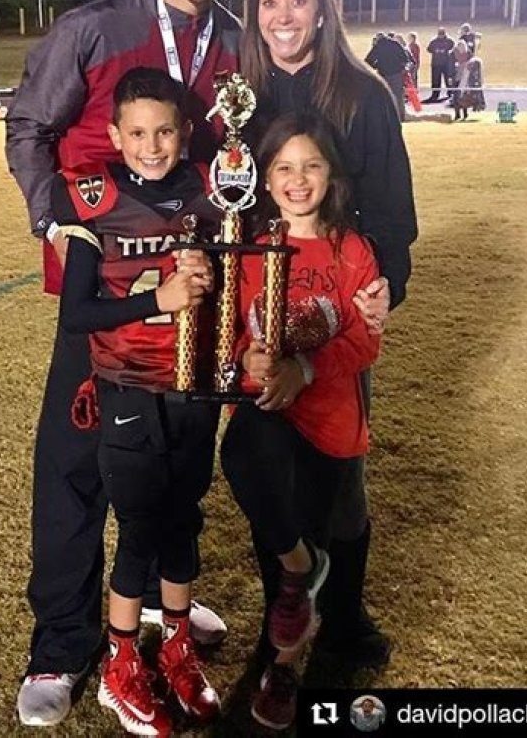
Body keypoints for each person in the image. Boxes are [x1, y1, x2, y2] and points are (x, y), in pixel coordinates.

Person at [5, 0, 243, 728]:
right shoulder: (94, 28)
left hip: (195, 293)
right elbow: (29, 126)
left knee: (176, 464)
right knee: (75, 467)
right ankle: (62, 642)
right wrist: (55, 221)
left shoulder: (235, 42)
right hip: (107, 290)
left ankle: (156, 602)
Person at [239, 0, 417, 683]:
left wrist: (384, 287)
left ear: (322, 9)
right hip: (262, 306)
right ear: (254, 12)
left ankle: (342, 618)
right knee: (265, 467)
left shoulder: (363, 95)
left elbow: (393, 213)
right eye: (269, 1)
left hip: (337, 311)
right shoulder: (239, 94)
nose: (283, 16)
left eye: (299, 0)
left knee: (340, 478)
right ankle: (282, 614)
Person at [54, 67, 222, 736]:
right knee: (141, 529)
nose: (152, 146)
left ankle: (176, 648)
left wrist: (208, 275)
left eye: (165, 132)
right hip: (128, 385)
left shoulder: (210, 190)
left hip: (193, 383)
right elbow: (77, 314)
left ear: (185, 132)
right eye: (139, 133)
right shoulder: (93, 197)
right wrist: (160, 298)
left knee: (183, 521)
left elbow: (230, 276)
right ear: (116, 135)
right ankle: (120, 666)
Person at [222, 114, 382, 730]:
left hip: (331, 422)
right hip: (269, 416)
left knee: (314, 528)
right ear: (263, 180)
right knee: (258, 491)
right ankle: (288, 611)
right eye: (283, 167)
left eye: (311, 165)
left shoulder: (352, 250)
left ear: (330, 174)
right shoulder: (251, 252)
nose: (298, 179)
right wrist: (248, 358)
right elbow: (237, 331)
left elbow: (364, 341)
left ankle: (286, 667)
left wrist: (305, 368)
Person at [364, 32, 412, 121]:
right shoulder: (396, 44)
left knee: (383, 97)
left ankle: (386, 117)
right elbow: (405, 59)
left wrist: (377, 65)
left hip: (383, 75)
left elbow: (368, 60)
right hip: (397, 74)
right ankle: (400, 117)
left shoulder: (378, 46)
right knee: (398, 96)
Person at [423, 26, 454, 102]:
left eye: (442, 34)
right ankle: (435, 94)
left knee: (448, 79)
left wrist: (444, 50)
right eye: (440, 34)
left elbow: (452, 47)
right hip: (436, 64)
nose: (441, 35)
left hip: (446, 63)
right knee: (435, 80)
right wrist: (436, 50)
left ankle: (450, 93)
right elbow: (429, 49)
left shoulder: (449, 41)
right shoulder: (434, 41)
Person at [450, 56, 485, 120]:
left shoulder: (474, 74)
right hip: (460, 84)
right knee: (457, 99)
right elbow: (462, 80)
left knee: (462, 98)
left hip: (465, 86)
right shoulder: (464, 68)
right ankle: (458, 114)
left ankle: (464, 114)